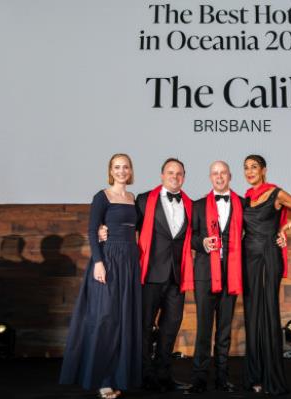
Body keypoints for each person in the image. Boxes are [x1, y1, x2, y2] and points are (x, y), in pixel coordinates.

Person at [100, 157, 194, 392]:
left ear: (184, 177)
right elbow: (124, 222)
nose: (175, 177)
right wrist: (103, 229)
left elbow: (198, 235)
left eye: (179, 173)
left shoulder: (191, 204)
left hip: (177, 277)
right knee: (143, 328)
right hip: (149, 274)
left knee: (170, 328)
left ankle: (163, 375)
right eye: (170, 173)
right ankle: (144, 375)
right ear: (162, 175)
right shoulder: (143, 200)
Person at [59, 153, 141, 399]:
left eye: (125, 167)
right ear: (110, 170)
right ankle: (102, 379)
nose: (121, 171)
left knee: (124, 320)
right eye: (117, 167)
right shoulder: (102, 196)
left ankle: (119, 377)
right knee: (106, 320)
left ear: (130, 170)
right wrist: (98, 262)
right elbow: (92, 230)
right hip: (108, 260)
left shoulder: (132, 198)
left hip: (129, 261)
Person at [242, 154, 291, 395]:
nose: (250, 172)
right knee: (252, 314)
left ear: (263, 170)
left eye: (254, 167)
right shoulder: (246, 198)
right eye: (246, 168)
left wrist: (284, 228)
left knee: (268, 312)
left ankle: (272, 378)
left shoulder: (276, 193)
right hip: (248, 258)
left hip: (268, 256)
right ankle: (255, 376)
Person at [184, 161, 244, 394]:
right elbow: (190, 237)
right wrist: (202, 243)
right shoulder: (198, 206)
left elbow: (255, 231)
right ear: (210, 177)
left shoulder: (241, 203)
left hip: (232, 275)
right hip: (205, 275)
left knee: (225, 330)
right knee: (203, 329)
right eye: (215, 173)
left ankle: (222, 378)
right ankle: (199, 379)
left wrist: (280, 234)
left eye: (223, 173)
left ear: (229, 176)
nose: (219, 177)